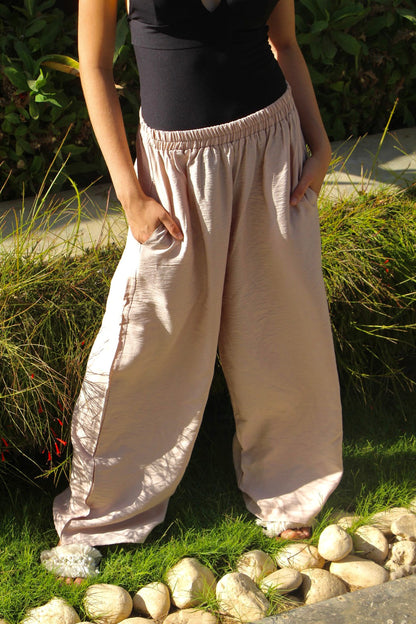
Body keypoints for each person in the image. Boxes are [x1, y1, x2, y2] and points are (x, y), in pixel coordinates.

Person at [45, 0, 343, 581]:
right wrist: (130, 193)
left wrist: (320, 144)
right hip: (174, 172)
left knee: (281, 333)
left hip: (273, 149)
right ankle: (97, 516)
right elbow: (95, 66)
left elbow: (283, 41)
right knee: (141, 346)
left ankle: (290, 489)